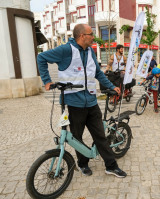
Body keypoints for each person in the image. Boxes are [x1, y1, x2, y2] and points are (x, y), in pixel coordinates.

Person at [37, 24, 127, 178]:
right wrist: (47, 80)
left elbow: (98, 73)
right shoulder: (66, 50)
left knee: (100, 136)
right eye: (91, 34)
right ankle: (83, 164)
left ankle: (111, 166)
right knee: (77, 138)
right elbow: (41, 57)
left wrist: (111, 86)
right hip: (73, 103)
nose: (93, 37)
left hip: (91, 102)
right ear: (81, 36)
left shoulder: (90, 51)